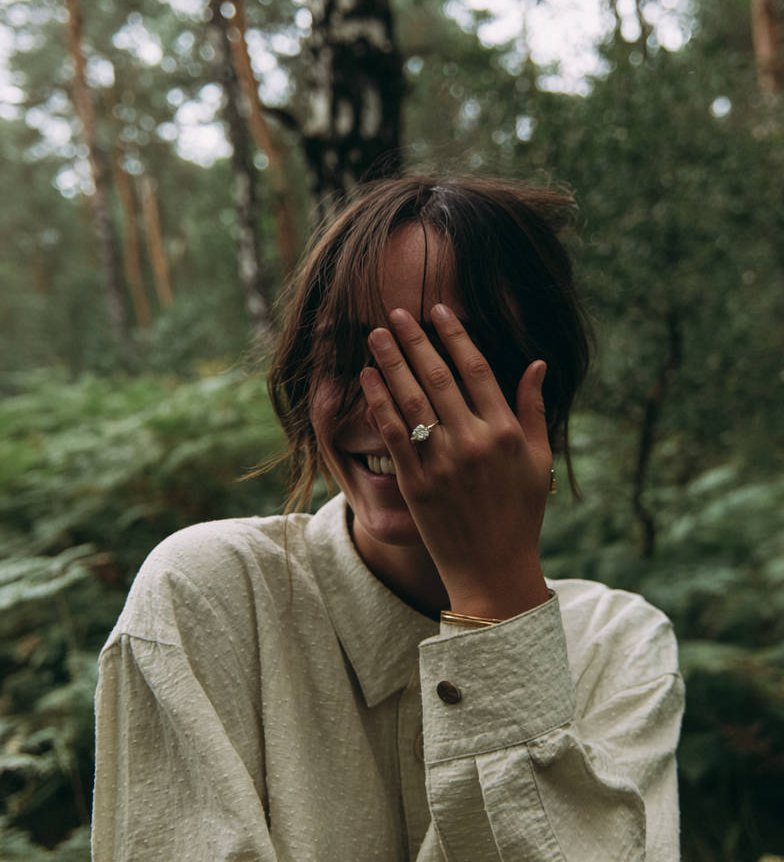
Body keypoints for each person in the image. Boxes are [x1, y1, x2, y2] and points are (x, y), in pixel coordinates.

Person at [92, 176, 684, 861]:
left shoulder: (618, 648)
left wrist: (496, 603)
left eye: (448, 361)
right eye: (351, 359)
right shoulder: (207, 597)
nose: (396, 413)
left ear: (542, 395)